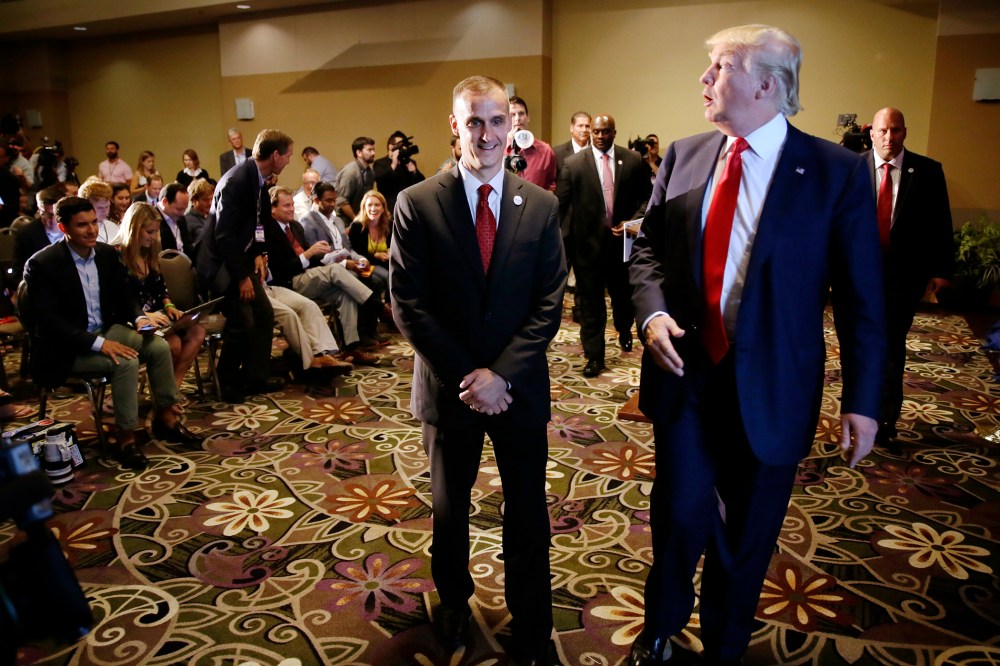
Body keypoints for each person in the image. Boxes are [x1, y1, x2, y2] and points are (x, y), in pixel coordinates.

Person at [626, 25, 886, 666]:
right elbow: (649, 249)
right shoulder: (685, 154)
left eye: (719, 68)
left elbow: (862, 298)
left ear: (767, 84)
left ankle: (725, 644)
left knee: (746, 536)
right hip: (687, 372)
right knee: (679, 515)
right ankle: (659, 629)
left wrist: (865, 400)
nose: (704, 79)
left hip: (774, 387)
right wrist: (652, 313)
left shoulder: (835, 173)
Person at [390, 75, 566, 665]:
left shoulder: (540, 205)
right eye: (474, 121)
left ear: (511, 124)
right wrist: (471, 375)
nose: (486, 133)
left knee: (526, 510)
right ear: (455, 124)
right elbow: (407, 303)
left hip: (518, 391)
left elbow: (549, 302)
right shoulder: (417, 202)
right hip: (449, 390)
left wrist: (503, 376)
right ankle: (453, 607)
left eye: (496, 121)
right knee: (449, 512)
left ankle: (532, 621)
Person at [22, 197, 198, 470]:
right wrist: (100, 344)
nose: (92, 230)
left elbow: (124, 297)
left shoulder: (105, 254)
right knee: (125, 362)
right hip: (65, 347)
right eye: (82, 225)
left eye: (94, 222)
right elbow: (50, 323)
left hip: (104, 329)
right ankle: (126, 439)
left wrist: (139, 317)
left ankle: (167, 418)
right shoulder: (42, 264)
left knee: (158, 346)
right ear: (63, 227)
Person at [864, 107, 954, 449]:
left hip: (902, 278)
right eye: (883, 131)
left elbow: (940, 223)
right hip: (858, 277)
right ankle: (856, 411)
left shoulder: (928, 171)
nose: (889, 138)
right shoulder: (852, 168)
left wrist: (942, 270)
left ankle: (886, 418)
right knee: (857, 347)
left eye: (896, 130)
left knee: (889, 347)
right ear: (872, 132)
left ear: (905, 132)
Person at [197, 129, 289, 403]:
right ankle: (223, 382)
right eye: (288, 156)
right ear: (275, 155)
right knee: (243, 320)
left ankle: (254, 377)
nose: (288, 161)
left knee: (263, 312)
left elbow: (259, 223)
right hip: (220, 265)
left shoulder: (258, 180)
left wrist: (260, 252)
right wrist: (241, 278)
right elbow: (223, 237)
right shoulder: (235, 181)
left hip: (240, 258)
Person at [557, 113, 650, 377]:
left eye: (605, 132)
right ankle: (594, 356)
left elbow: (647, 197)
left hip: (622, 249)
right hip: (587, 249)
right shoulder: (573, 164)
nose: (599, 136)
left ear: (614, 133)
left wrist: (632, 221)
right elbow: (562, 206)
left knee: (623, 300)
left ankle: (624, 329)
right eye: (596, 132)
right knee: (591, 306)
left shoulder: (632, 160)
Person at [267, 185, 383, 364]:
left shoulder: (295, 227)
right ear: (272, 209)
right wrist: (310, 253)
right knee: (336, 270)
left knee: (345, 294)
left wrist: (326, 256)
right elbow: (279, 271)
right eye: (286, 206)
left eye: (292, 204)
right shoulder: (268, 232)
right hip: (287, 283)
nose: (292, 209)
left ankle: (351, 348)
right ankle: (377, 306)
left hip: (309, 277)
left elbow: (313, 260)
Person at [118, 202, 207, 395]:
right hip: (131, 320)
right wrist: (145, 315)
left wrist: (169, 306)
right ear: (134, 228)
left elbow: (160, 288)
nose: (154, 237)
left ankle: (173, 386)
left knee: (197, 332)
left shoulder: (149, 254)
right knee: (172, 344)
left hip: (157, 316)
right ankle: (164, 395)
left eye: (156, 231)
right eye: (149, 232)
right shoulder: (118, 257)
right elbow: (122, 299)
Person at [12, 185, 64, 290]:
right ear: (39, 211)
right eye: (48, 215)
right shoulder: (26, 235)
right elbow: (17, 275)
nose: (53, 220)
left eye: (56, 215)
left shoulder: (73, 230)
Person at [349, 189, 391, 304]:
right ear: (364, 207)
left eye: (377, 205)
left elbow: (394, 246)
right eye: (370, 205)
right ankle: (388, 309)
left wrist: (390, 251)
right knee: (389, 277)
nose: (373, 209)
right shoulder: (357, 226)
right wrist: (376, 256)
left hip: (386, 263)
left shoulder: (389, 224)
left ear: (383, 208)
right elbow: (356, 253)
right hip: (367, 263)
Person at [506, 96, 557, 191]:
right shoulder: (495, 149)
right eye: (512, 115)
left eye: (521, 114)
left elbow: (551, 186)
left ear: (528, 117)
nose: (517, 118)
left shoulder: (545, 151)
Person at [373, 130, 424, 213]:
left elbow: (421, 184)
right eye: (400, 145)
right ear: (390, 146)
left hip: (408, 206)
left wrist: (414, 172)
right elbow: (380, 180)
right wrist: (393, 164)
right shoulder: (380, 163)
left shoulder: (408, 162)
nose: (403, 148)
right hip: (388, 208)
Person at [335, 136, 376, 222]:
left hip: (361, 219)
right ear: (359, 153)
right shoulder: (349, 172)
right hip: (345, 221)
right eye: (369, 150)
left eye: (373, 149)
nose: (373, 153)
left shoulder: (370, 172)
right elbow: (342, 201)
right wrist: (355, 219)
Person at [155, 181, 194, 256]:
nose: (182, 213)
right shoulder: (152, 219)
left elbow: (187, 247)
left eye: (184, 209)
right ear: (165, 202)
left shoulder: (181, 219)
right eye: (179, 209)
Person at [78, 177, 120, 244]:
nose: (105, 211)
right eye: (100, 208)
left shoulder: (113, 227)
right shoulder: (80, 230)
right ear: (86, 206)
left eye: (107, 207)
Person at [553, 111, 591, 176]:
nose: (584, 130)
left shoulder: (596, 152)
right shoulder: (557, 153)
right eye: (580, 126)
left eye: (587, 126)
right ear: (571, 128)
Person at [185, 178, 214, 248]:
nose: (210, 203)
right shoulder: (187, 221)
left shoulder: (213, 216)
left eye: (212, 199)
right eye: (206, 200)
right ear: (194, 200)